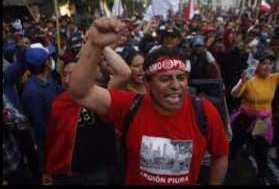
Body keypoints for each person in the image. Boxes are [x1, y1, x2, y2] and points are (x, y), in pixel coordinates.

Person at [67, 18, 229, 185]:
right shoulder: (130, 105)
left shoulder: (204, 111)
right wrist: (94, 44)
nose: (176, 86)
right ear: (147, 84)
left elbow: (221, 154)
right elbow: (80, 92)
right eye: (165, 79)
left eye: (181, 78)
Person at [44, 48, 131, 185]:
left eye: (72, 75)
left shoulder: (100, 97)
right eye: (64, 75)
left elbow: (124, 74)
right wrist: (48, 169)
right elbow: (53, 139)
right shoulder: (58, 102)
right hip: (68, 175)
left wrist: (100, 45)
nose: (67, 80)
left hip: (99, 173)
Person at [230, 46, 279, 185]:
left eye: (270, 63)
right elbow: (234, 94)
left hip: (262, 121)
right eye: (263, 63)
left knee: (262, 150)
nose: (267, 67)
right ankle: (225, 170)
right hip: (245, 119)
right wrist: (243, 81)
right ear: (256, 64)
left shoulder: (274, 78)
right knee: (234, 147)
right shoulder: (249, 77)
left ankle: (261, 176)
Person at [21, 43, 63, 178]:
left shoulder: (48, 79)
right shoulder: (32, 92)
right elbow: (40, 125)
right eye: (49, 57)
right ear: (45, 63)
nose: (52, 59)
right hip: (51, 143)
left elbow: (58, 92)